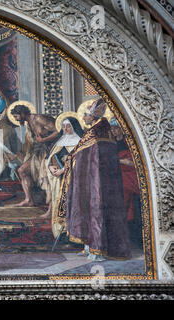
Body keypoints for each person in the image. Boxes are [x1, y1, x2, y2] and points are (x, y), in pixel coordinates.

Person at [55, 99, 131, 261]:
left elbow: (81, 156)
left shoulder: (94, 132)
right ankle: (92, 246)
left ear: (93, 117)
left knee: (95, 210)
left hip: (92, 182)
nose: (83, 117)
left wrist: (70, 160)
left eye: (86, 115)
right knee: (95, 211)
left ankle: (97, 248)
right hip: (100, 181)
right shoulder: (102, 131)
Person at [8, 105, 58, 207]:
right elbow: (30, 144)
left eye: (16, 116)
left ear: (22, 113)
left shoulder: (39, 118)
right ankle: (29, 199)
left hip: (50, 152)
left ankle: (51, 207)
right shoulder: (28, 124)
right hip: (38, 153)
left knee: (46, 177)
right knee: (22, 170)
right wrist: (17, 155)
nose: (16, 119)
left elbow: (58, 131)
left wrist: (44, 140)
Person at [43, 116, 83, 238]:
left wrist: (63, 170)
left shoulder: (80, 142)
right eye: (64, 126)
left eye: (68, 126)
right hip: (60, 181)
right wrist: (50, 167)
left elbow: (80, 161)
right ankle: (61, 232)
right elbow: (49, 159)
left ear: (74, 127)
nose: (65, 129)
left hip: (74, 180)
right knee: (60, 204)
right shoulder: (59, 142)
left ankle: (74, 234)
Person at [109, 117, 142, 247]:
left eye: (116, 128)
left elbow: (133, 163)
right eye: (112, 129)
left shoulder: (130, 142)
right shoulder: (111, 143)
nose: (114, 131)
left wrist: (119, 160)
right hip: (116, 176)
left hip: (129, 177)